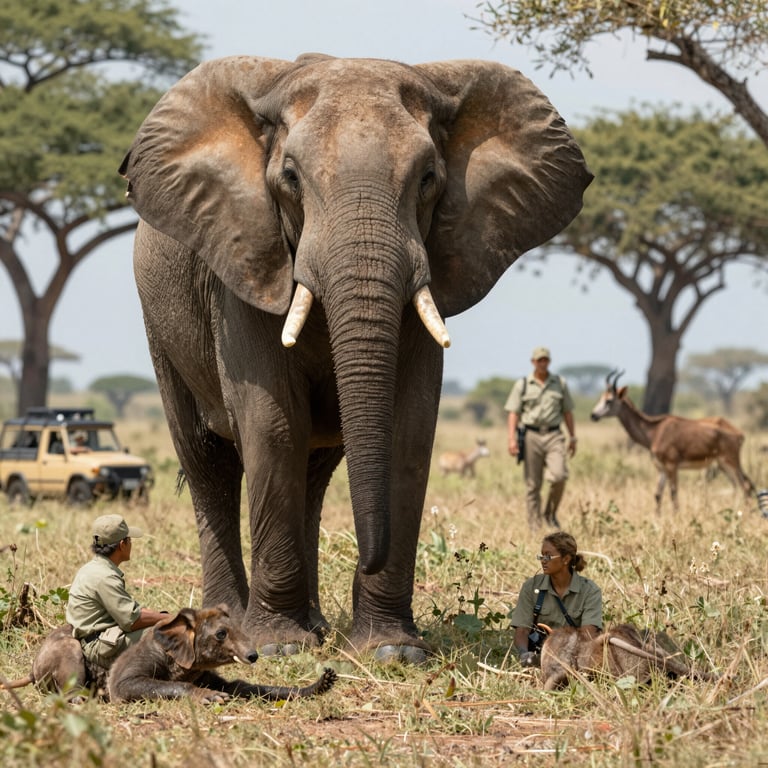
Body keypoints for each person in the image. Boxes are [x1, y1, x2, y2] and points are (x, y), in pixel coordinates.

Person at [66, 514, 168, 669]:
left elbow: (131, 611)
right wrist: (170, 618)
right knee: (167, 633)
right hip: (100, 647)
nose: (131, 544)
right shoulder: (105, 577)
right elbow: (131, 620)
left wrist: (161, 616)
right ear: (122, 544)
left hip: (100, 637)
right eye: (130, 540)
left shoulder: (91, 568)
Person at [505, 346, 577, 529]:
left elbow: (568, 412)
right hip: (531, 435)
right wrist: (511, 439)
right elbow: (513, 413)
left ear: (549, 362)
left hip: (554, 435)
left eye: (545, 360)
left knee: (559, 475)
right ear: (533, 362)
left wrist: (573, 437)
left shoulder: (559, 383)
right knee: (532, 484)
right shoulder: (522, 384)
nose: (543, 363)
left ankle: (550, 514)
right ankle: (534, 526)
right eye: (539, 360)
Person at [509, 531, 602, 667]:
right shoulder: (532, 587)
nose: (543, 560)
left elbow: (588, 635)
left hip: (575, 657)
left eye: (548, 556)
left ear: (566, 559)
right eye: (541, 555)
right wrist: (524, 654)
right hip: (539, 656)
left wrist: (560, 653)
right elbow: (522, 630)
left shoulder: (590, 591)